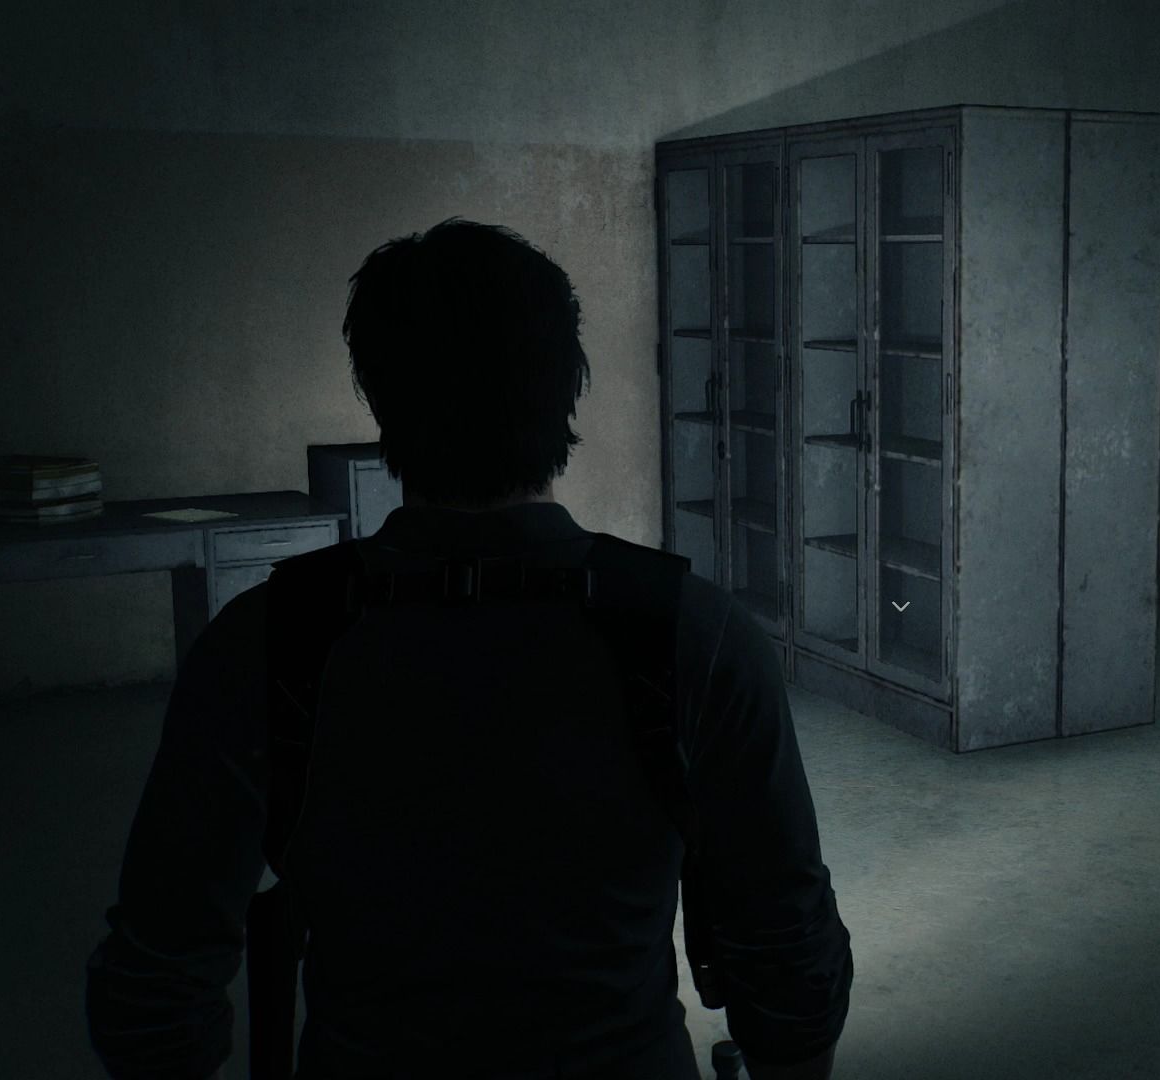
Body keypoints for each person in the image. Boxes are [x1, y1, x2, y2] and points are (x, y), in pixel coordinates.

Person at [84, 218, 854, 1079]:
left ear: (378, 397)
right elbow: (789, 961)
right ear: (568, 386)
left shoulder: (264, 639)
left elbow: (154, 983)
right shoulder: (698, 633)